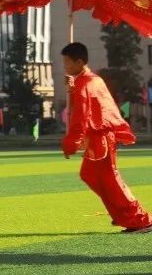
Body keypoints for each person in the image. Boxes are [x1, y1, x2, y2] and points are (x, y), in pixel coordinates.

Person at [60, 42, 151, 233]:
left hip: (99, 137)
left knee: (109, 178)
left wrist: (71, 142)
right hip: (99, 136)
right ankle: (125, 215)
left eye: (68, 63)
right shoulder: (91, 80)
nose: (65, 67)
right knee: (92, 175)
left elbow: (81, 116)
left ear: (79, 62)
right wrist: (73, 89)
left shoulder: (86, 83)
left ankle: (139, 219)